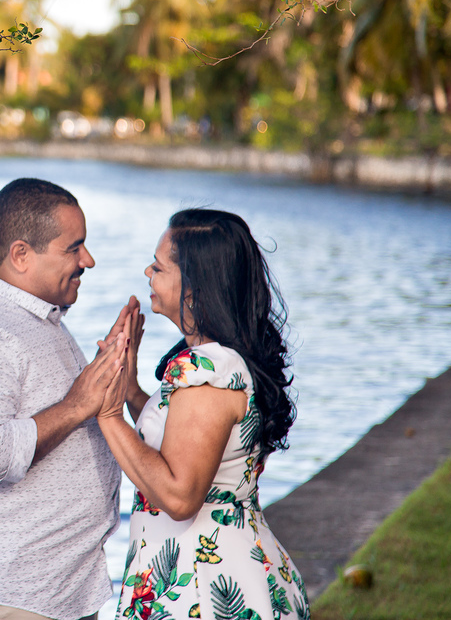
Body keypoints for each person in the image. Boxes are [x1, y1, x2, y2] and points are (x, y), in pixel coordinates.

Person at [0, 178, 138, 620]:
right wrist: (75, 406)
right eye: (73, 248)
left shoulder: (32, 317)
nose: (88, 260)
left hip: (53, 589)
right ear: (20, 255)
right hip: (9, 592)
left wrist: (114, 371)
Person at [95, 209, 309, 620]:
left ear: (193, 289)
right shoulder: (225, 361)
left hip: (203, 588)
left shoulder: (204, 371)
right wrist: (130, 390)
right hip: (229, 567)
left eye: (158, 267)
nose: (147, 272)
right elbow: (183, 438)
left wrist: (107, 416)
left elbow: (180, 496)